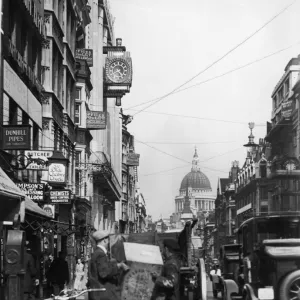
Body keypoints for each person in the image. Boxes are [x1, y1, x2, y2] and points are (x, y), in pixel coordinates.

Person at [88, 230, 129, 300]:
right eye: (108, 239)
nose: (109, 242)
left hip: (99, 293)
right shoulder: (100, 254)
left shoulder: (97, 253)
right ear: (104, 240)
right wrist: (119, 266)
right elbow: (104, 273)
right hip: (103, 294)